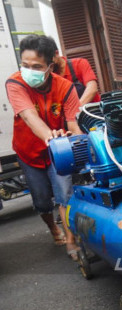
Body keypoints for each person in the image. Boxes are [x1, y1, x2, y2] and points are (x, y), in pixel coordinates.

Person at [5, 35, 82, 261]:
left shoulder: (65, 87)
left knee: (64, 194)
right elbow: (29, 117)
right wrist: (50, 135)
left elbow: (73, 123)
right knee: (41, 200)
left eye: (36, 66)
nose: (30, 70)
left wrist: (82, 142)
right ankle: (53, 229)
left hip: (58, 151)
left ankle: (71, 240)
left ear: (51, 65)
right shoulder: (15, 83)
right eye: (25, 65)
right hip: (28, 152)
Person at [49, 38, 100, 106]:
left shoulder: (80, 63)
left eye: (50, 61)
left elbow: (92, 89)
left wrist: (75, 110)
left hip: (93, 111)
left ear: (57, 53)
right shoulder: (49, 76)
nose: (49, 66)